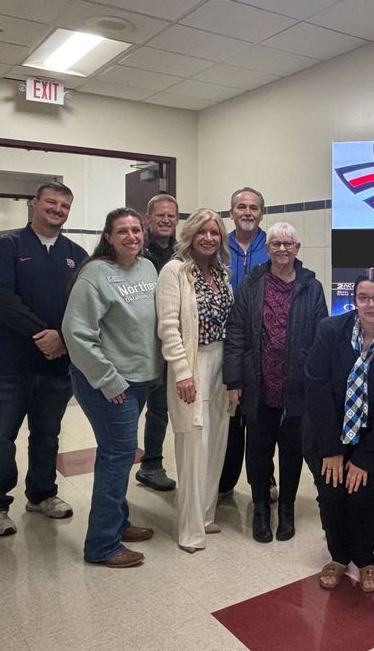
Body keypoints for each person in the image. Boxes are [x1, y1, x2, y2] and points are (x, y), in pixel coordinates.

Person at [0, 181, 88, 536]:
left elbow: (83, 306)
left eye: (64, 206)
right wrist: (45, 334)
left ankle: (41, 495)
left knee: (47, 435)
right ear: (35, 204)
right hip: (9, 365)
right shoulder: (9, 247)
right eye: (51, 203)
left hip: (56, 367)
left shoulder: (76, 253)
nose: (57, 210)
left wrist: (63, 340)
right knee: (0, 436)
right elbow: (2, 298)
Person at [304, 269, 374, 594]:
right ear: (354, 301)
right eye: (364, 297)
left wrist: (365, 458)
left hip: (370, 440)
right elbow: (316, 387)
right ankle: (338, 557)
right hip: (326, 435)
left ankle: (366, 560)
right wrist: (332, 451)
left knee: (362, 497)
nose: (371, 304)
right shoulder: (330, 330)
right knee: (331, 496)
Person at [62, 208, 160, 568]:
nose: (131, 236)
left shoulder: (148, 268)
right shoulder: (94, 274)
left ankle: (118, 524)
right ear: (109, 237)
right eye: (123, 231)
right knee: (117, 458)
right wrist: (107, 379)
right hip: (108, 383)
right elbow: (76, 333)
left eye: (136, 230)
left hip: (139, 380)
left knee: (119, 454)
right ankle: (102, 545)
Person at [223, 221, 327, 543]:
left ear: (298, 249)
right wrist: (233, 380)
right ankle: (260, 509)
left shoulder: (312, 287)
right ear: (267, 249)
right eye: (276, 244)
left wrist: (317, 382)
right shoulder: (252, 284)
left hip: (296, 387)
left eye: (288, 244)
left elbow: (322, 335)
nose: (282, 249)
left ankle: (287, 508)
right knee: (258, 451)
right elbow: (236, 333)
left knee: (292, 451)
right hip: (258, 384)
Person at [156, 208, 235, 553]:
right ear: (189, 235)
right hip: (192, 362)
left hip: (221, 363)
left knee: (216, 442)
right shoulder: (174, 271)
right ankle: (189, 529)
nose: (208, 238)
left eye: (215, 232)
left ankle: (205, 514)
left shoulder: (222, 272)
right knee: (192, 445)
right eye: (202, 232)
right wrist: (182, 372)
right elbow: (168, 327)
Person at [218, 186, 275, 502]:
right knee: (227, 417)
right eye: (241, 206)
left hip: (262, 349)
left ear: (262, 213)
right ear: (231, 212)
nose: (248, 212)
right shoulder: (215, 245)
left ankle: (264, 481)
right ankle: (224, 482)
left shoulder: (273, 246)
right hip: (220, 344)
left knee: (261, 419)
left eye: (254, 207)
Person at [136, 193, 179, 492]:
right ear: (148, 218)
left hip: (171, 341)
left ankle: (151, 464)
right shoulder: (136, 251)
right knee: (131, 408)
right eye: (159, 215)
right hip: (140, 344)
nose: (165, 220)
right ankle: (133, 464)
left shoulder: (182, 253)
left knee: (160, 407)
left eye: (171, 216)